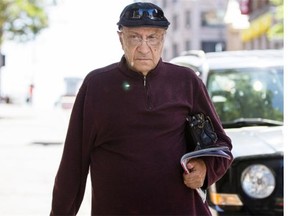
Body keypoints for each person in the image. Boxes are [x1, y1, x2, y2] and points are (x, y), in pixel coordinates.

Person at [50, 2, 233, 215]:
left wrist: (205, 169)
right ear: (121, 39)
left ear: (163, 38)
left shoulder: (186, 81)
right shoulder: (97, 86)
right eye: (135, 37)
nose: (144, 48)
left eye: (152, 37)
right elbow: (73, 164)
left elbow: (222, 146)